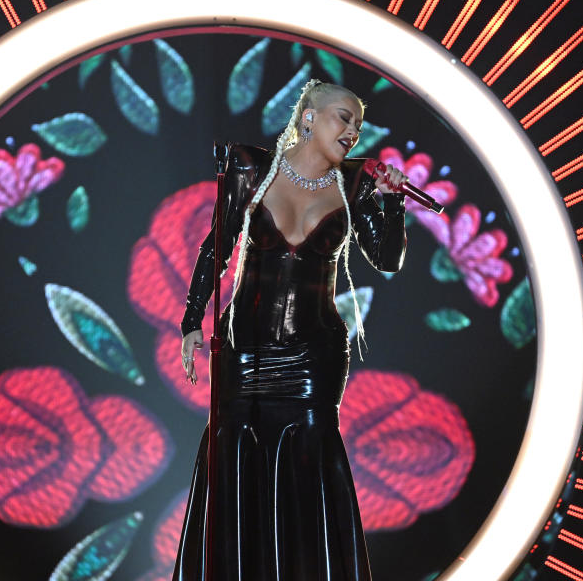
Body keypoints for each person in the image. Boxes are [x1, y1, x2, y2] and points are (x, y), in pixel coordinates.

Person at [173, 79, 408, 580]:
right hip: (245, 352)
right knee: (237, 462)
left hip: (311, 360)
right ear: (308, 117)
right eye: (342, 117)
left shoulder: (355, 183)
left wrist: (392, 202)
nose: (352, 130)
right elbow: (217, 246)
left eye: (358, 125)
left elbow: (385, 259)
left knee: (305, 468)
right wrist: (193, 319)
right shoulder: (250, 168)